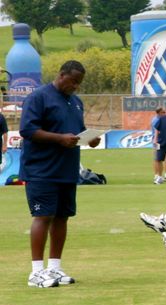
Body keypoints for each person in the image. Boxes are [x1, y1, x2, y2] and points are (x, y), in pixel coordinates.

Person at [19, 60, 101, 288]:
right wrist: (60, 138)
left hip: (66, 169)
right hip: (41, 169)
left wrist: (89, 139)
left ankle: (54, 268)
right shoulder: (39, 97)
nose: (75, 86)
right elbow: (28, 130)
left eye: (79, 83)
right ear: (61, 75)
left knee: (62, 217)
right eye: (73, 81)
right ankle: (36, 272)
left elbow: (75, 132)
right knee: (43, 216)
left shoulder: (76, 102)